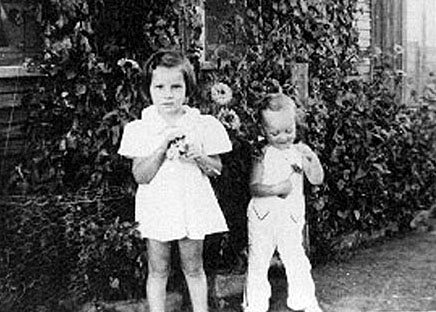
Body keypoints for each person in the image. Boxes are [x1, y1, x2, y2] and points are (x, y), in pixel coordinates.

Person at [118, 49, 232, 312]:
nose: (168, 94)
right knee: (158, 269)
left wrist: (199, 156)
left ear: (187, 89)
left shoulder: (202, 124)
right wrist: (160, 149)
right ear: (149, 89)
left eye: (175, 87)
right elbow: (141, 176)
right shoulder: (141, 128)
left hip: (191, 203)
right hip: (158, 205)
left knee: (193, 267)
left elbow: (216, 169)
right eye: (159, 87)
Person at [243, 93, 324, 312]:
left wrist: (312, 159)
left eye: (289, 131)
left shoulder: (299, 152)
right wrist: (275, 189)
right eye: (275, 133)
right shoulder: (262, 154)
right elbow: (254, 187)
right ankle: (255, 304)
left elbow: (316, 179)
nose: (283, 137)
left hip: (290, 216)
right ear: (263, 130)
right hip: (264, 217)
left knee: (296, 258)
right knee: (259, 261)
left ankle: (304, 300)